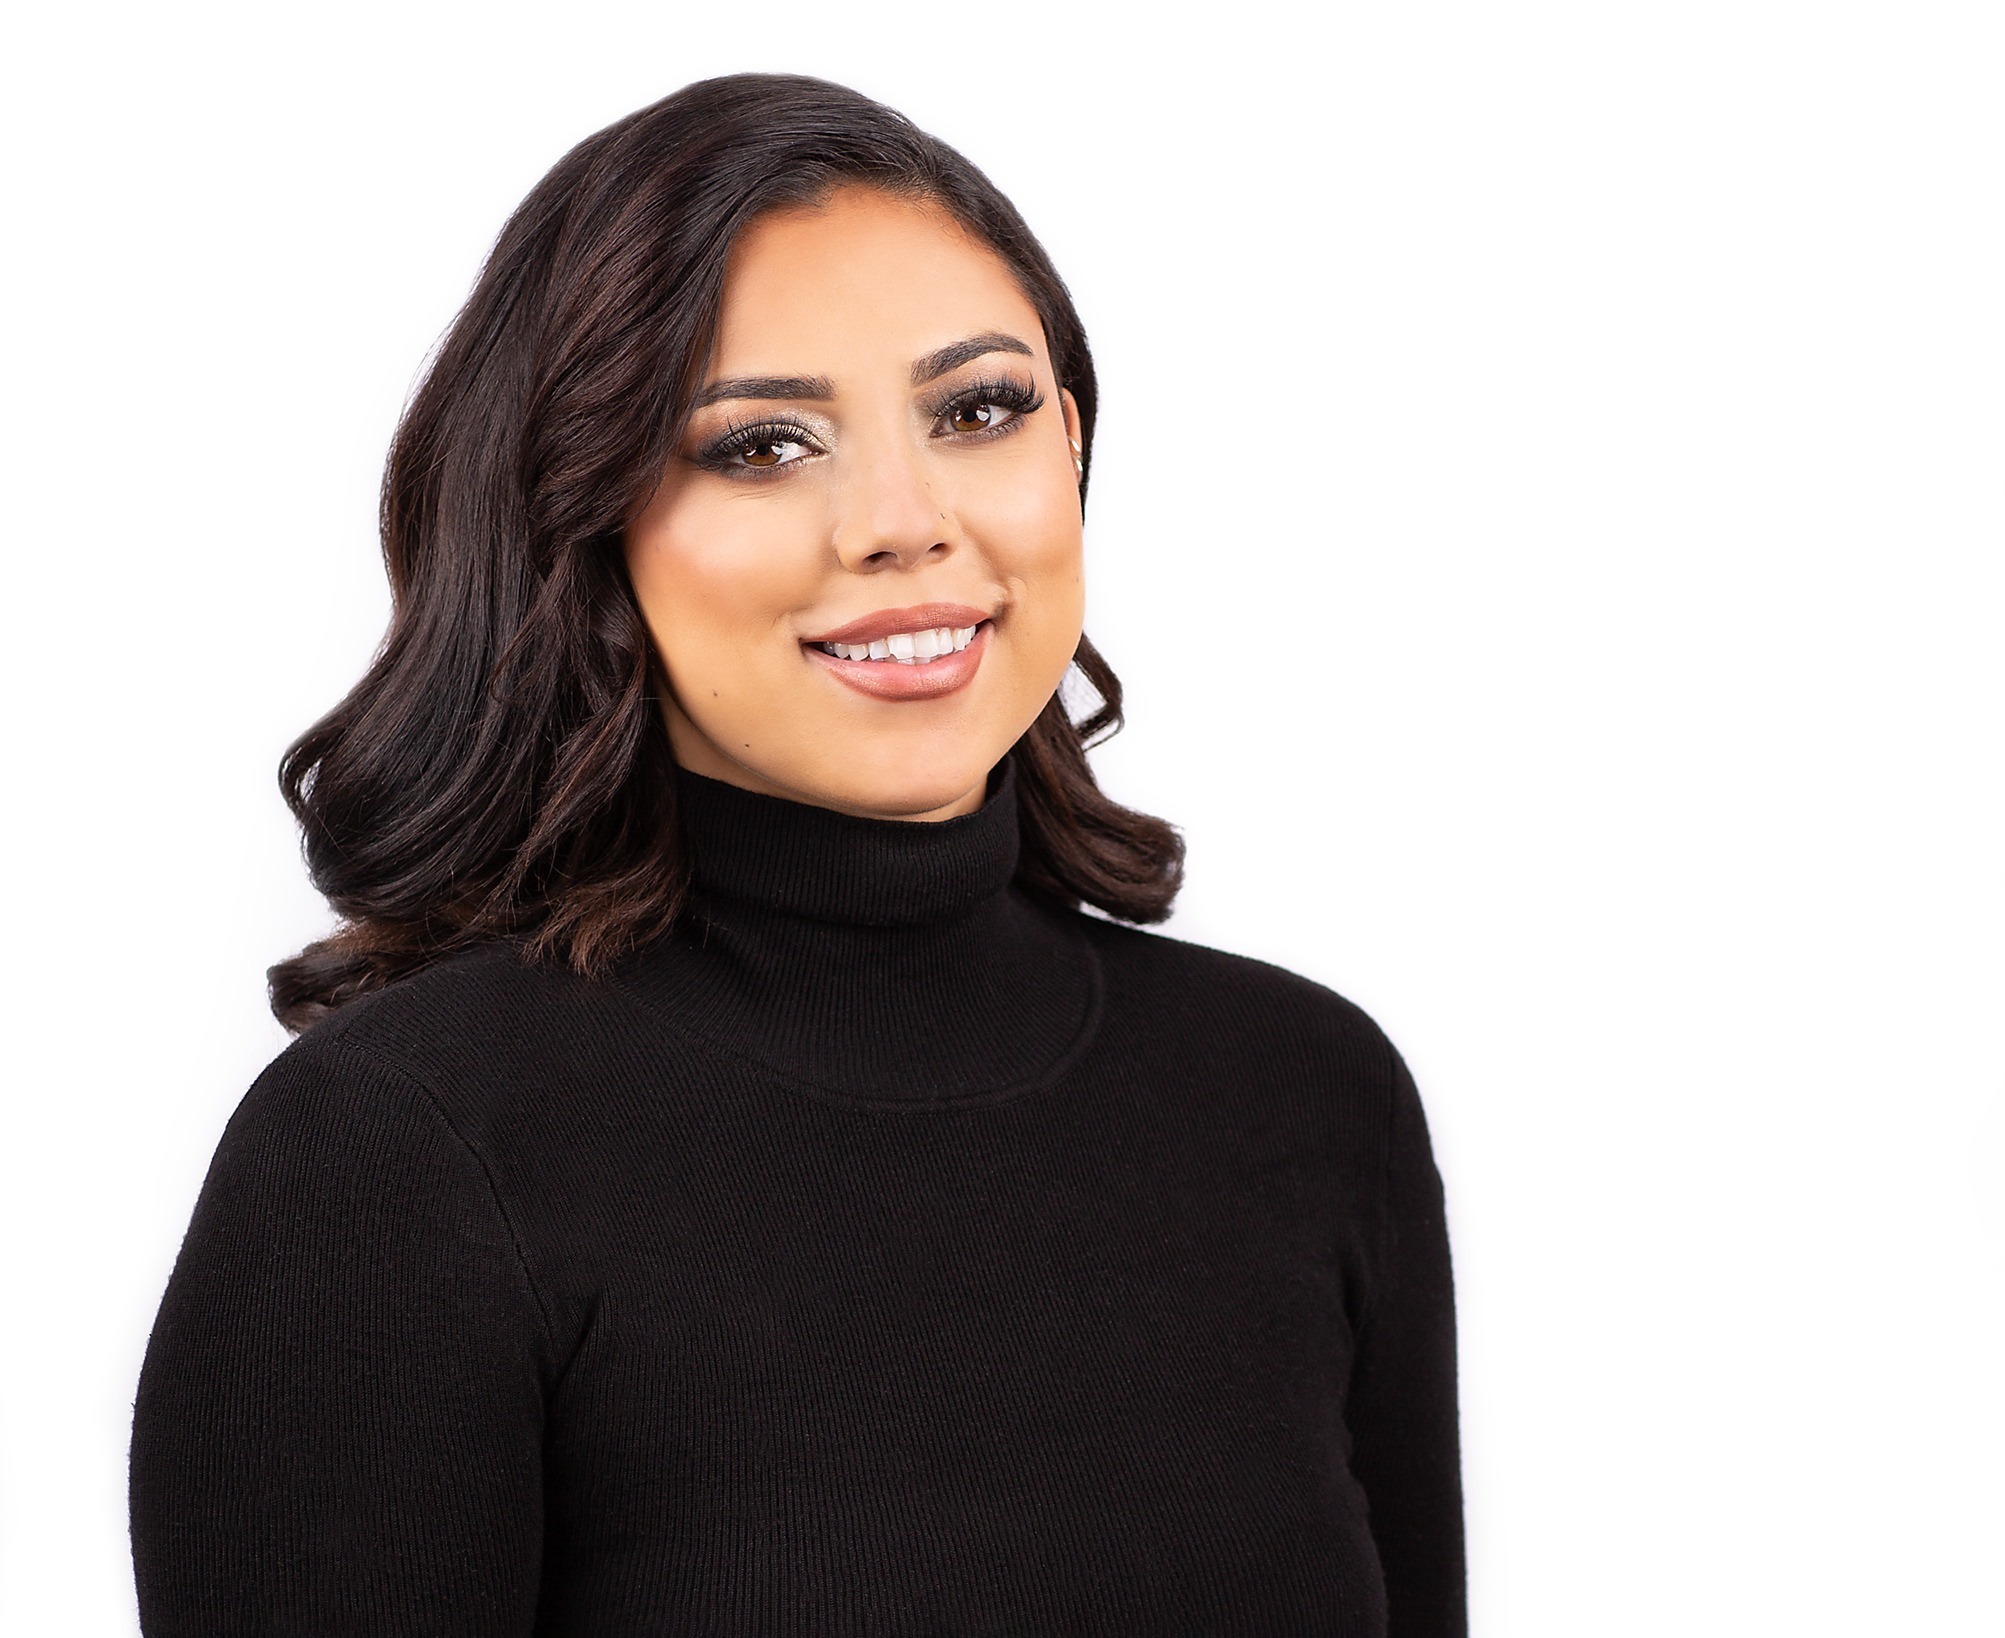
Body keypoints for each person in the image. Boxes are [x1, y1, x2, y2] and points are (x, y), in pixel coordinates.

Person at [128, 72, 1466, 1636]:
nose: (902, 521)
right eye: (763, 444)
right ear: (585, 514)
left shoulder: (1310, 1096)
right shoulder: (395, 1162)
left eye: (978, 411)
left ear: (1073, 449)